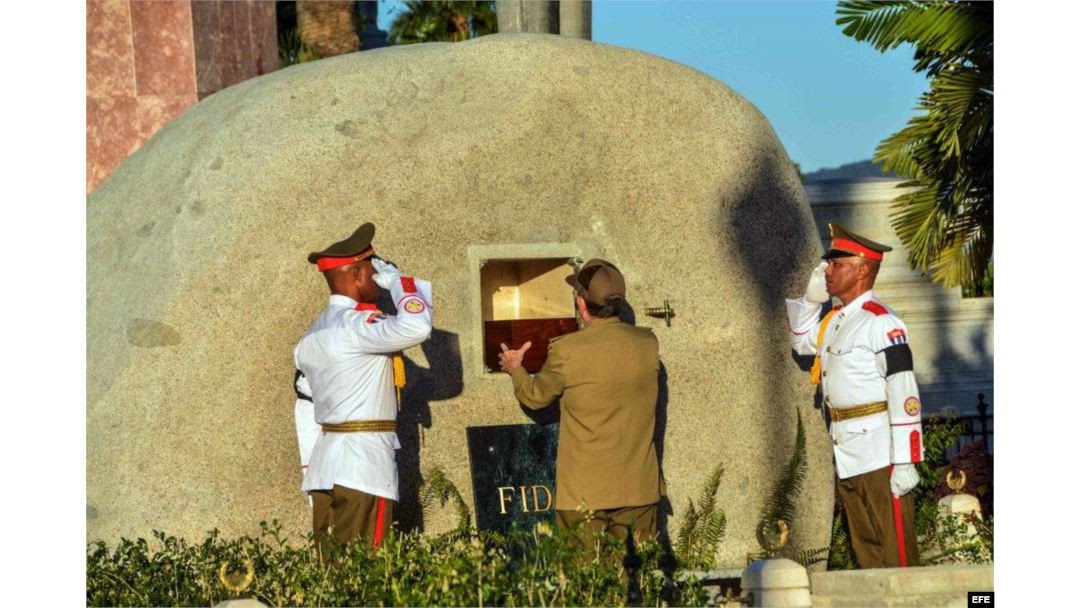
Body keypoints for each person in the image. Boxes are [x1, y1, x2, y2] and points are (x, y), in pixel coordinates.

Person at [498, 259, 662, 548]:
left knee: (587, 586)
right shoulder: (648, 343)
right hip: (640, 489)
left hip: (585, 497)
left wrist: (516, 369)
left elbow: (534, 397)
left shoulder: (567, 350)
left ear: (582, 305)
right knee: (637, 584)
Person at [785, 223, 923, 568]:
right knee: (868, 557)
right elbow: (801, 341)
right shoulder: (835, 320)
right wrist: (810, 300)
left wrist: (906, 459)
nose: (827, 271)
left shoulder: (881, 322)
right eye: (827, 265)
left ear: (862, 269)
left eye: (836, 263)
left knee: (896, 558)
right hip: (847, 451)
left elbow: (903, 390)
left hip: (881, 454)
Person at [294, 222, 433, 554]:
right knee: (366, 572)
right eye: (373, 271)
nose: (378, 280)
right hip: (363, 468)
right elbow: (417, 325)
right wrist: (402, 283)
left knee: (332, 575)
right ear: (357, 274)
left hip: (325, 468)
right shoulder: (359, 326)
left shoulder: (310, 337)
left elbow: (306, 405)